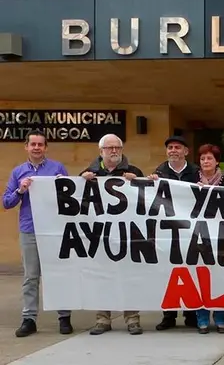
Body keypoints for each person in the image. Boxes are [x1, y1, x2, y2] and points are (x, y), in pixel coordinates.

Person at [3, 130, 73, 337]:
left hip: (53, 230)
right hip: (29, 229)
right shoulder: (18, 172)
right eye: (32, 144)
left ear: (46, 147)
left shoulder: (57, 168)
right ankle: (29, 318)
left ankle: (64, 317)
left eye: (40, 144)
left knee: (58, 274)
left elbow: (69, 201)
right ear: (26, 147)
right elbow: (7, 203)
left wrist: (62, 186)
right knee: (31, 276)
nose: (36, 148)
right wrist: (21, 190)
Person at [81, 134, 145, 336]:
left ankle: (132, 319)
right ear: (101, 152)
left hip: (127, 235)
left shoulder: (134, 172)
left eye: (117, 147)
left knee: (129, 277)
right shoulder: (88, 173)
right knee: (102, 278)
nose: (114, 151)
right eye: (109, 148)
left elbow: (144, 202)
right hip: (101, 236)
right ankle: (102, 319)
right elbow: (79, 204)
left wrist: (138, 183)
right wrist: (81, 182)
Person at [149, 135, 200, 330]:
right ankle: (169, 316)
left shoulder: (196, 172)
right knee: (168, 274)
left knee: (191, 273)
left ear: (186, 152)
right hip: (168, 231)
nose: (173, 151)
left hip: (191, 230)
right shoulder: (159, 172)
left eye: (177, 147)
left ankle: (191, 314)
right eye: (170, 147)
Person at [194, 144, 224, 334]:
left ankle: (220, 319)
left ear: (217, 161)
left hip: (222, 236)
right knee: (200, 277)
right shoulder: (190, 181)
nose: (206, 162)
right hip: (198, 236)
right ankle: (202, 319)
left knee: (220, 278)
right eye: (202, 159)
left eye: (209, 158)